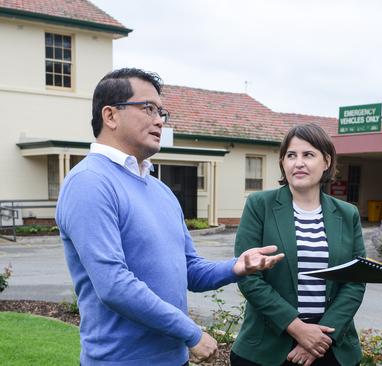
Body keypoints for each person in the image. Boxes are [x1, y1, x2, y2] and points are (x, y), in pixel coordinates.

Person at [56, 68, 284, 366]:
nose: (159, 120)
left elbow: (188, 270)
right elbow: (113, 284)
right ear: (110, 116)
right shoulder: (89, 182)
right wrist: (190, 332)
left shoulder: (160, 190)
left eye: (161, 111)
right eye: (148, 108)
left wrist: (236, 267)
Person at [230, 123, 366, 366]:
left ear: (326, 161)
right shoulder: (260, 205)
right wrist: (297, 328)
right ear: (283, 162)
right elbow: (248, 276)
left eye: (308, 155)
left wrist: (320, 337)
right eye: (291, 155)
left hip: (330, 345)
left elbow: (355, 281)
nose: (298, 163)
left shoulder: (347, 214)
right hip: (268, 345)